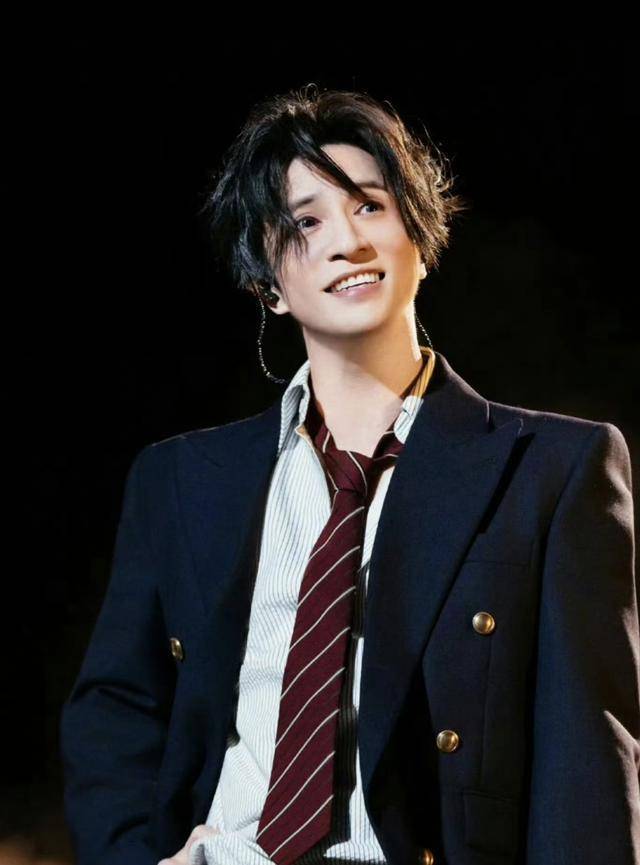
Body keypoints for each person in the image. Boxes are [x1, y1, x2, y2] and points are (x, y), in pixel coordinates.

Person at [60, 85, 640, 865]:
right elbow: (115, 713)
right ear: (267, 283)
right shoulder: (180, 480)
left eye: (370, 205)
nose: (347, 241)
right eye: (306, 222)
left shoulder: (554, 470)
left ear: (421, 238)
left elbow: (586, 773)